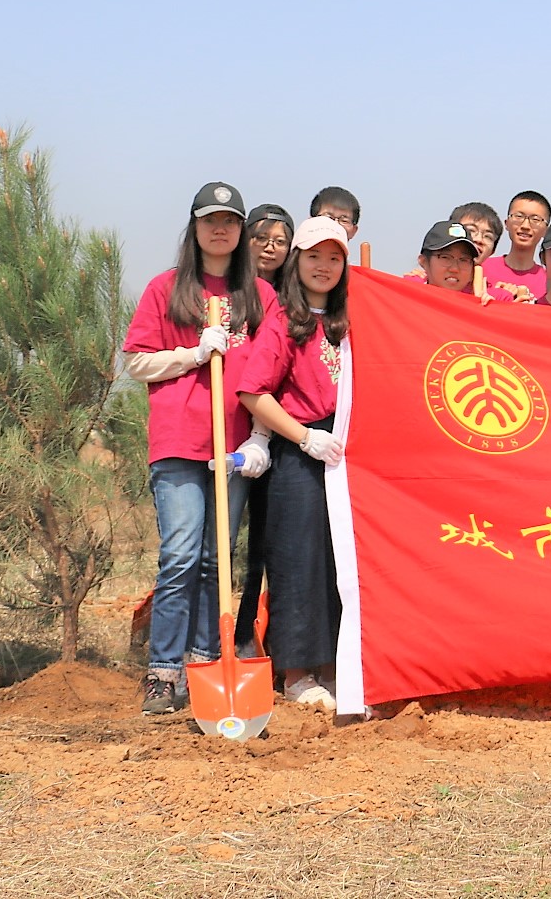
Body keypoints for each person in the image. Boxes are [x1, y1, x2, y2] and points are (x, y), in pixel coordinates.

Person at [123, 182, 277, 715]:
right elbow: (136, 361)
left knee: (217, 560)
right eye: (211, 220)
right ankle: (163, 673)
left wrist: (260, 437)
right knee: (181, 556)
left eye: (230, 221)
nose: (220, 229)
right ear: (194, 227)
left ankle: (206, 663)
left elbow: (272, 370)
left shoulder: (260, 296)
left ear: (241, 231)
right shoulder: (166, 288)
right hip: (179, 441)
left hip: (233, 446)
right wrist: (191, 354)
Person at [237, 215, 350, 712]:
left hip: (346, 452)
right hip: (301, 450)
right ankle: (298, 673)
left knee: (339, 559)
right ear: (297, 261)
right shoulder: (285, 320)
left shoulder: (353, 320)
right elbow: (252, 392)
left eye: (334, 257)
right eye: (313, 256)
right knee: (299, 560)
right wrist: (304, 437)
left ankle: (338, 668)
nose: (323, 266)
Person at [232, 202, 295, 656]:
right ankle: (214, 641)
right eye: (261, 239)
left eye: (280, 241)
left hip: (279, 435)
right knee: (216, 548)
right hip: (231, 432)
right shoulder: (229, 293)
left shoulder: (295, 296)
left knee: (266, 545)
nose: (271, 248)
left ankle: (253, 638)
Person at [416, 220, 513, 300]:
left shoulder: (487, 302)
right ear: (423, 262)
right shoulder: (411, 298)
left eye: (464, 260)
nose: (454, 268)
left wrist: (488, 311)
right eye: (445, 257)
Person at [483, 191, 551, 300]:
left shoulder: (550, 283)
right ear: (506, 223)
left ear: (546, 230)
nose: (525, 226)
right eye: (519, 216)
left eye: (535, 219)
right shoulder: (482, 269)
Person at [245, 204, 294, 285]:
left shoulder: (295, 289)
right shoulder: (229, 286)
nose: (269, 249)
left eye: (280, 241)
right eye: (261, 238)